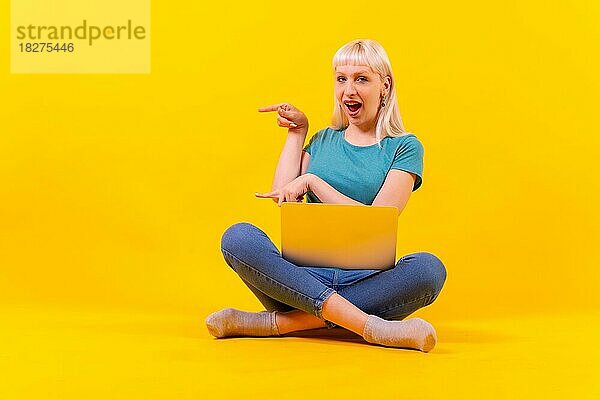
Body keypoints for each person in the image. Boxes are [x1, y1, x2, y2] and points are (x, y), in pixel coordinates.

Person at [205, 39, 447, 352]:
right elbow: (283, 195)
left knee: (429, 269)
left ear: (385, 86)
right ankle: (370, 327)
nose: (349, 90)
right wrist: (297, 134)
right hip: (298, 283)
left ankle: (277, 324)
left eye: (361, 79)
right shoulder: (321, 141)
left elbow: (377, 220)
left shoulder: (404, 147)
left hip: (368, 285)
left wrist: (316, 183)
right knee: (238, 237)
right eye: (341, 78)